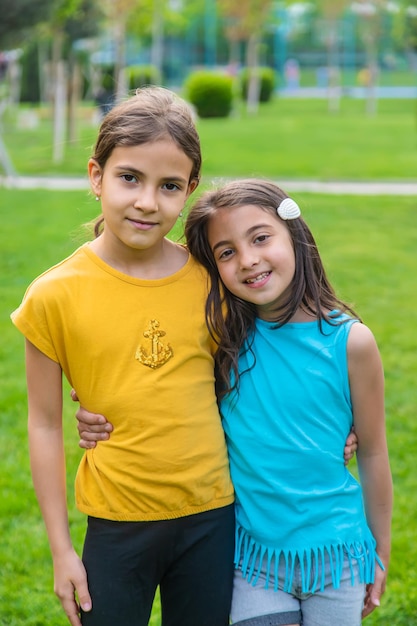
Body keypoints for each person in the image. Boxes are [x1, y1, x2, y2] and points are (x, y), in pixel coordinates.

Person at [10, 86, 236, 626]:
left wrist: (333, 428)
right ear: (96, 176)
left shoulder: (212, 284)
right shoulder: (54, 295)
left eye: (169, 186)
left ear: (190, 191)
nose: (147, 202)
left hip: (213, 517)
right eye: (129, 177)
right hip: (116, 524)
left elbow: (245, 382)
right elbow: (43, 424)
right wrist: (62, 549)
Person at [184, 178, 393, 626]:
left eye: (260, 238)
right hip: (253, 560)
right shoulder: (221, 342)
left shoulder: (351, 342)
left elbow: (373, 452)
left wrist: (381, 550)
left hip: (337, 556)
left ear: (294, 235)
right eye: (226, 252)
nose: (248, 260)